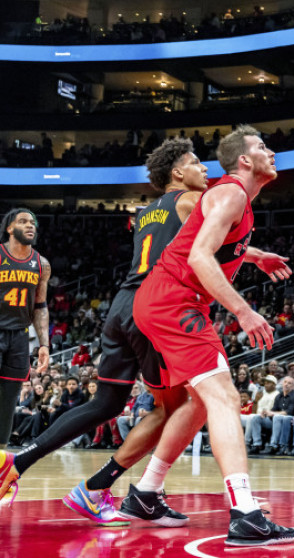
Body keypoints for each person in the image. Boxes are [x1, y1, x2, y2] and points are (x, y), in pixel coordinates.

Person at [0, 139, 210, 524]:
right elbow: (215, 245)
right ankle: (102, 489)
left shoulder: (145, 212)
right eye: (197, 162)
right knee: (175, 409)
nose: (205, 169)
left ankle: (17, 462)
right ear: (178, 173)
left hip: (121, 306)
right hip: (153, 305)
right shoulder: (192, 200)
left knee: (106, 404)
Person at [133, 125, 294, 546]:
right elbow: (199, 255)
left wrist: (254, 256)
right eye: (262, 146)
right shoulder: (232, 193)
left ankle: (146, 492)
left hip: (166, 301)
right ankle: (245, 514)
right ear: (244, 160)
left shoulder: (236, 199)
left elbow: (211, 242)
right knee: (224, 397)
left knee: (203, 402)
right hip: (175, 302)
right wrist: (243, 311)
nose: (271, 152)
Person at [0, 209, 50, 458]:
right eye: (23, 221)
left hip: (19, 336)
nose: (30, 225)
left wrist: (44, 344)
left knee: (9, 399)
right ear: (9, 228)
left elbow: (40, 306)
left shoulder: (42, 264)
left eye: (33, 222)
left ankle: (0, 457)